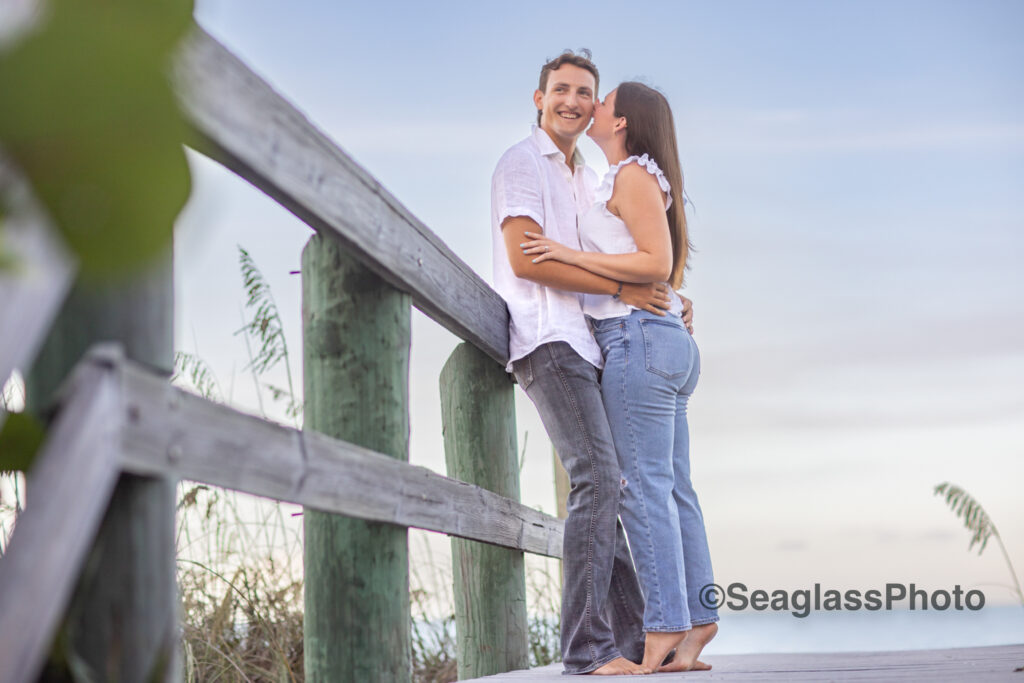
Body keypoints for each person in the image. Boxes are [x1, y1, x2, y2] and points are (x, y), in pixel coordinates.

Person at [491, 51, 694, 675]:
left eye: (586, 92)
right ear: (538, 97)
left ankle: (633, 646)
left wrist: (664, 297)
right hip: (547, 338)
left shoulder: (586, 177)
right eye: (562, 90)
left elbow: (609, 259)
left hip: (590, 341)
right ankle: (586, 649)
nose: (574, 101)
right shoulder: (522, 163)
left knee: (618, 483)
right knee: (599, 480)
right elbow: (527, 261)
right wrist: (623, 291)